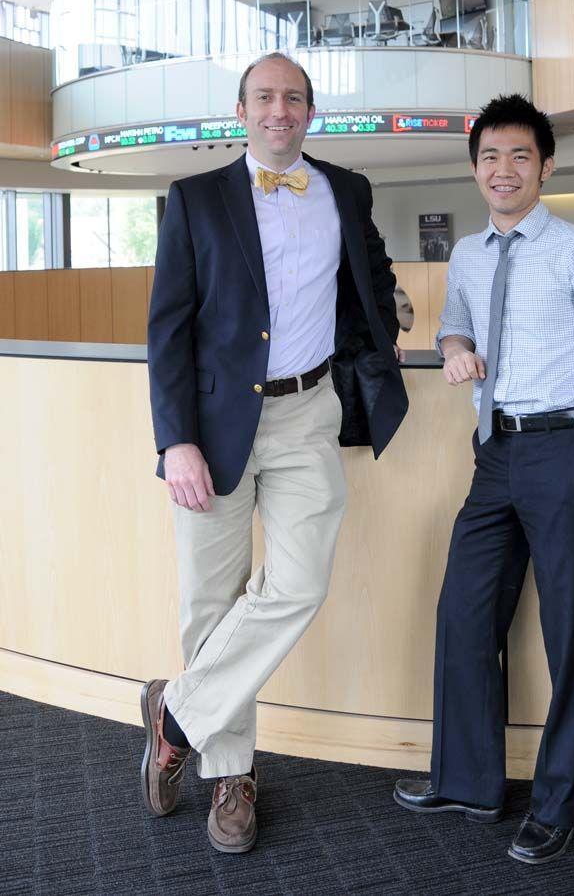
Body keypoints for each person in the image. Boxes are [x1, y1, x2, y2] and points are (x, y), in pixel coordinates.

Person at [142, 51, 408, 852]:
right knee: (211, 602)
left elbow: (371, 272)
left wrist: (385, 326)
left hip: (308, 413)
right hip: (217, 425)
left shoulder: (346, 190)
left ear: (310, 110)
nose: (279, 110)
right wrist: (176, 440)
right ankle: (232, 777)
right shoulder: (193, 200)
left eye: (293, 97)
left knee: (298, 582)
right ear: (242, 109)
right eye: (265, 97)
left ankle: (175, 713)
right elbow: (167, 331)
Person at [394, 94, 574, 865]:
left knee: (568, 636)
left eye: (520, 156)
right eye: (491, 156)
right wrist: (458, 346)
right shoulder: (466, 255)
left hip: (561, 451)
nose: (504, 169)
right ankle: (469, 779)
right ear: (475, 168)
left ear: (546, 166)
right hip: (493, 453)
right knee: (464, 615)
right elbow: (454, 325)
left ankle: (561, 804)